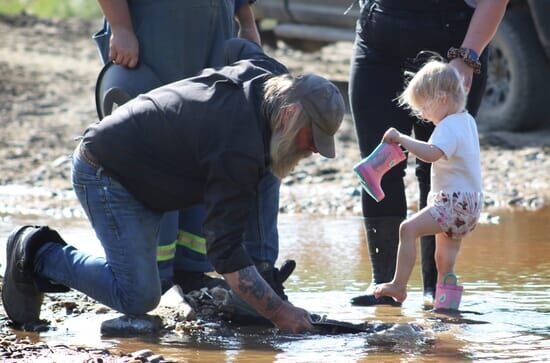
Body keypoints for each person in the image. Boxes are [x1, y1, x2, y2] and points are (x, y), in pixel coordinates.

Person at [2, 38, 346, 333]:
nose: (314, 149)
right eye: (311, 137)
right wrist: (280, 313)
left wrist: (196, 104)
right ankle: (37, 251)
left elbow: (234, 46)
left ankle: (262, 280)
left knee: (271, 165)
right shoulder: (235, 150)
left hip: (149, 175)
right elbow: (224, 252)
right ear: (288, 115)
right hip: (107, 174)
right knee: (138, 297)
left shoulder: (267, 74)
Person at [93, 0, 269, 295]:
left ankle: (192, 269)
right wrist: (121, 28)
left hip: (214, 32)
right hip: (154, 34)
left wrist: (248, 23)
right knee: (158, 149)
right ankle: (155, 272)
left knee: (207, 139)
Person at [349, 0, 507, 306]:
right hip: (379, 40)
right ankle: (385, 288)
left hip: (455, 47)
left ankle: (435, 295)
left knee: (436, 171)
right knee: (377, 165)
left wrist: (468, 55)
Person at [372, 59, 482, 303]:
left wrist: (401, 138)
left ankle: (398, 286)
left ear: (442, 98)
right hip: (470, 205)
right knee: (445, 264)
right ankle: (447, 311)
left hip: (453, 203)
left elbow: (432, 153)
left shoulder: (447, 125)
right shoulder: (467, 120)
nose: (422, 115)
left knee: (408, 229)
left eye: (423, 107)